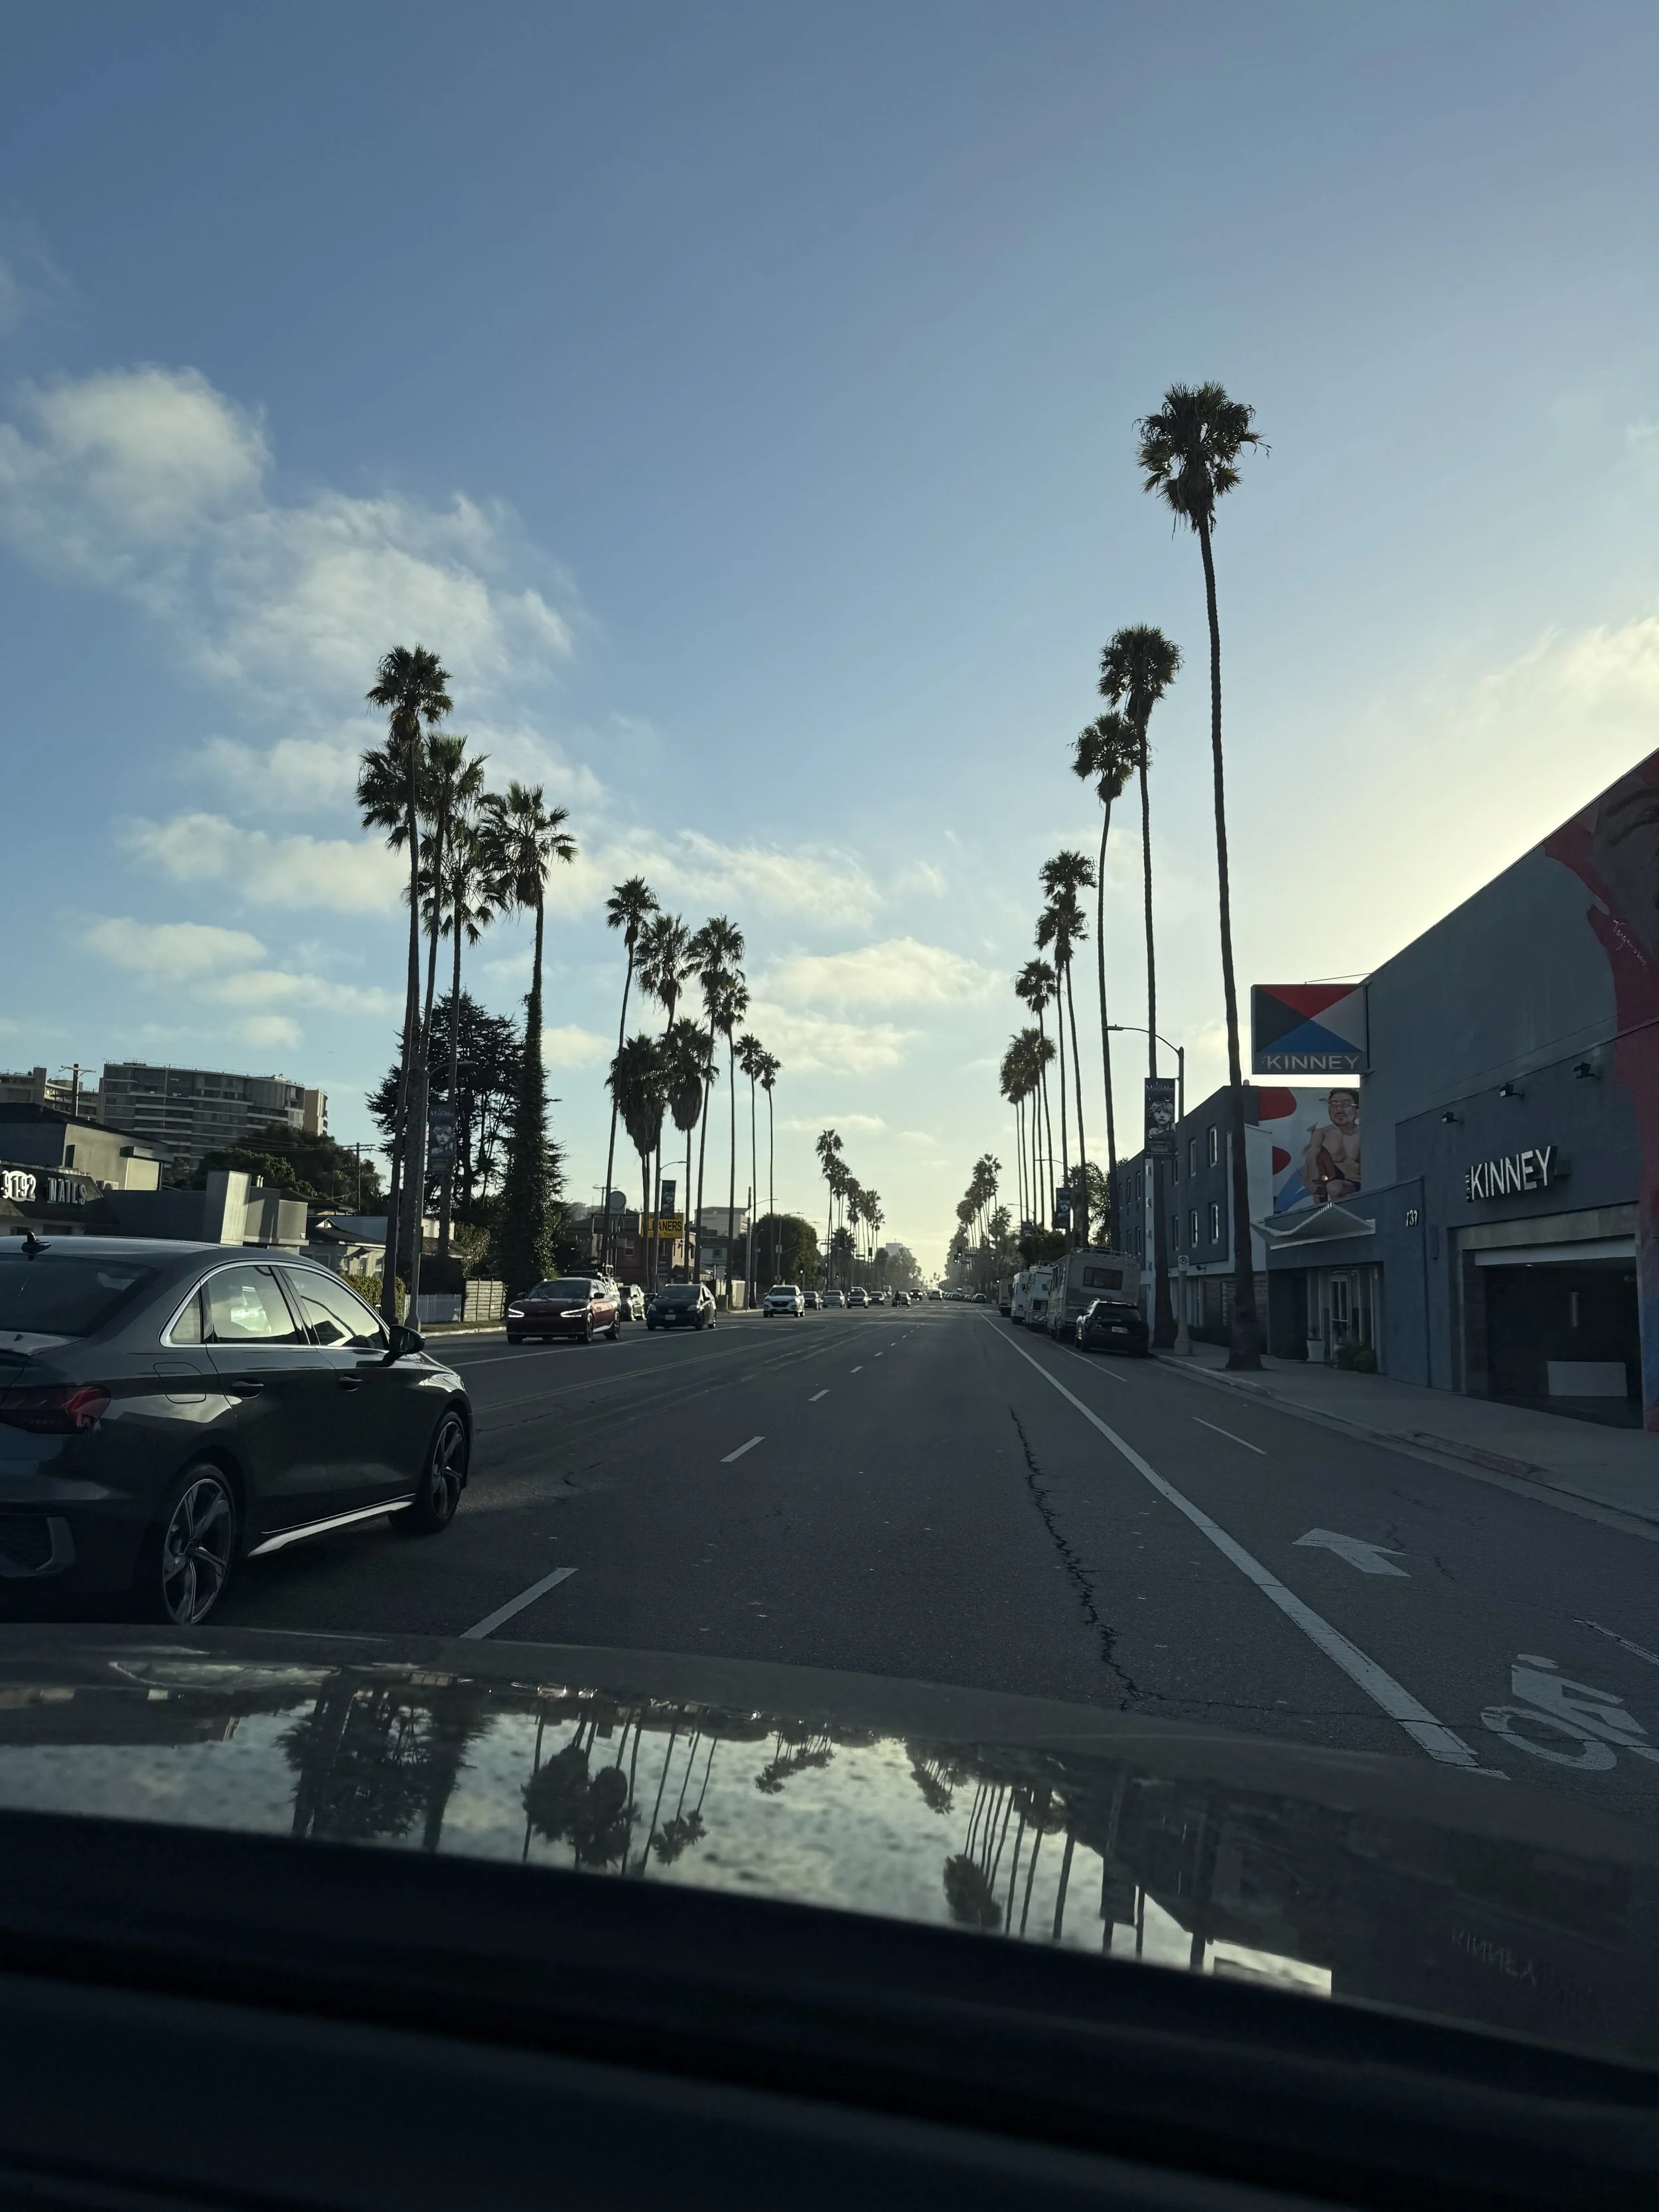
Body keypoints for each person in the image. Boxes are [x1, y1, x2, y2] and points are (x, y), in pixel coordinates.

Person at [1301, 1088, 1361, 1203]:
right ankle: (1321, 1210)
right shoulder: (1322, 1134)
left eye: (1346, 1104)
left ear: (1357, 1110)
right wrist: (1312, 1182)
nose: (1339, 1109)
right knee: (1325, 1183)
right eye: (1334, 1105)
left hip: (1360, 1185)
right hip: (1331, 1185)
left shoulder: (1364, 1134)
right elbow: (1311, 1162)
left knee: (1335, 1187)